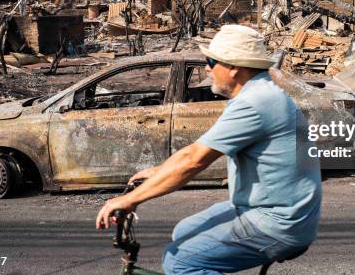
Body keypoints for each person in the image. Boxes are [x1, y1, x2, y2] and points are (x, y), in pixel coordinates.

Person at [96, 24, 322, 274]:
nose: (205, 68)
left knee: (180, 261)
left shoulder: (256, 102)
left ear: (233, 67)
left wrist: (129, 200)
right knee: (184, 231)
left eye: (210, 61)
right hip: (267, 208)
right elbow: (196, 150)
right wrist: (159, 171)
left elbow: (194, 161)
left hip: (277, 220)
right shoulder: (259, 94)